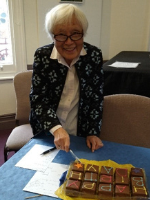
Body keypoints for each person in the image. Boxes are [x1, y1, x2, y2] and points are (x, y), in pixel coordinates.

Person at [29, 3, 104, 153]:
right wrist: (56, 129)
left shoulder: (94, 56)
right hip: (48, 131)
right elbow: (38, 98)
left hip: (80, 133)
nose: (69, 42)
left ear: (83, 33)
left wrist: (92, 132)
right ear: (53, 36)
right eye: (62, 35)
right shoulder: (43, 56)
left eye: (76, 33)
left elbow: (96, 98)